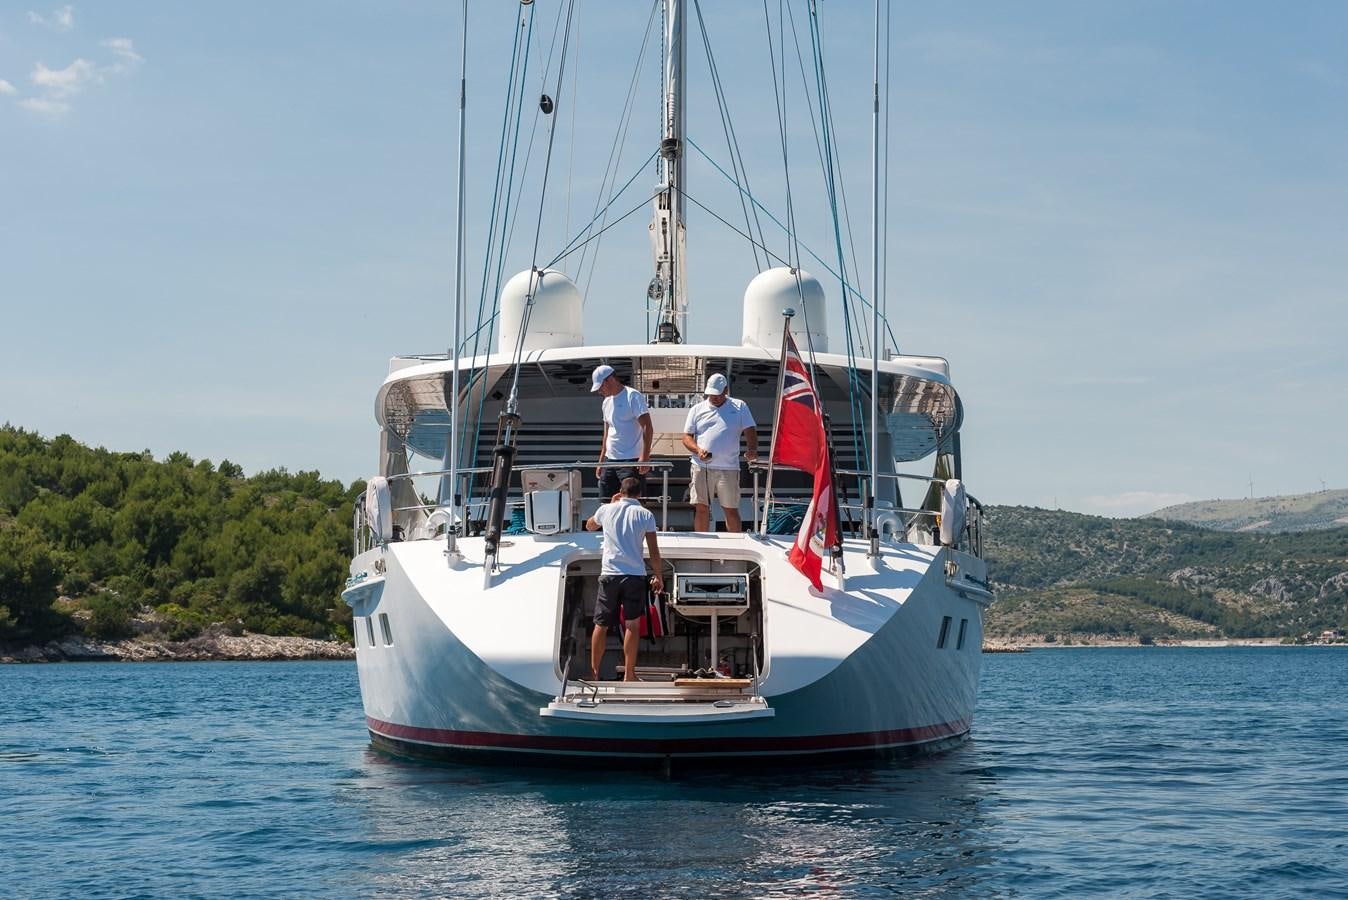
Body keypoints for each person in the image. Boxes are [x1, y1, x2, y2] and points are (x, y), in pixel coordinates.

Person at [585, 477, 664, 681]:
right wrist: (659, 575)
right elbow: (654, 551)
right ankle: (629, 674)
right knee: (632, 625)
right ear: (640, 494)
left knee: (600, 625)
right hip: (634, 576)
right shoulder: (646, 515)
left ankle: (593, 674)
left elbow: (589, 526)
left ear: (621, 491)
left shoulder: (606, 510)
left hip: (610, 575)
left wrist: (611, 504)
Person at [681, 373, 758, 532]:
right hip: (701, 466)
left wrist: (752, 450)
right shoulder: (697, 409)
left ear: (726, 391)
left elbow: (750, 430)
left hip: (728, 467)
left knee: (730, 509)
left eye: (717, 394)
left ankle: (736, 546)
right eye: (711, 394)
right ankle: (702, 544)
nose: (714, 397)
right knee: (701, 508)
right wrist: (698, 450)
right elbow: (686, 437)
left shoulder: (739, 406)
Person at [591, 364, 653, 500]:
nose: (599, 391)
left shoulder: (633, 396)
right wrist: (601, 461)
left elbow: (647, 426)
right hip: (609, 460)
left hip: (631, 461)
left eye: (600, 386)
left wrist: (645, 457)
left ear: (610, 380)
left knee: (632, 502)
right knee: (606, 503)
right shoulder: (606, 402)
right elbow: (607, 433)